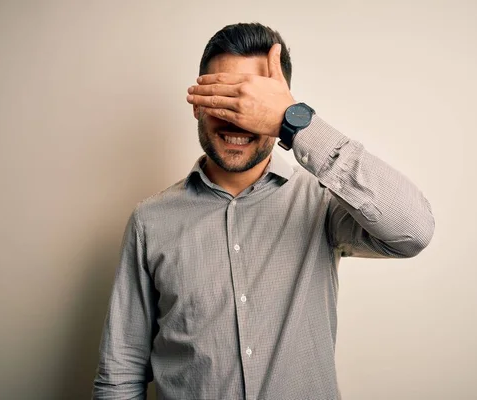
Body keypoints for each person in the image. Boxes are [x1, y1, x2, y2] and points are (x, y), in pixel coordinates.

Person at [93, 22, 435, 400]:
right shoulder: (150, 221)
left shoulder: (319, 203)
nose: (237, 118)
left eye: (253, 103)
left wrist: (296, 122)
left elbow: (413, 230)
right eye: (225, 98)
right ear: (196, 103)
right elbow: (119, 374)